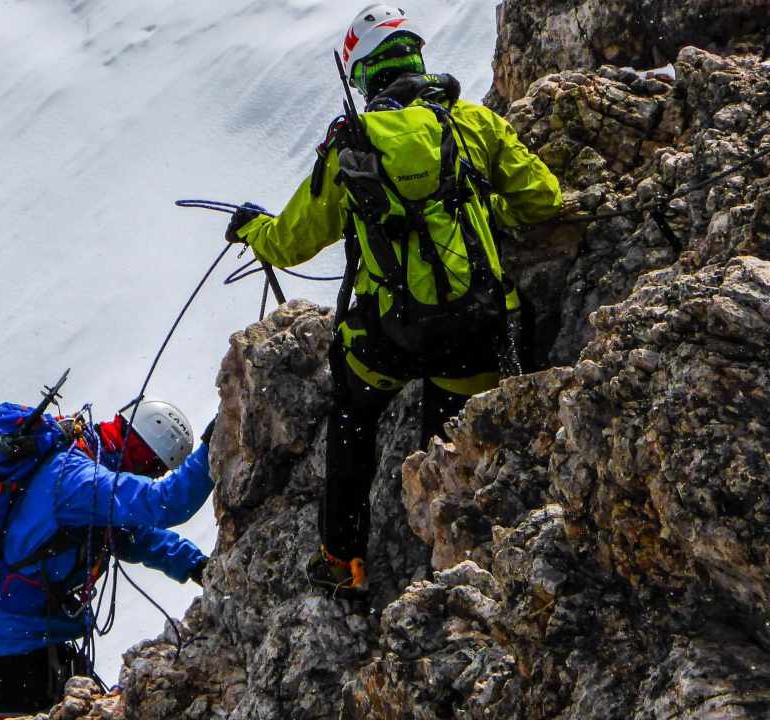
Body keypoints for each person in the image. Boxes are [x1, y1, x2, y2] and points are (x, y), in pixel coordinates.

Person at [225, 4, 566, 597]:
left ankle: (343, 562)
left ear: (362, 75)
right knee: (450, 438)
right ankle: (460, 566)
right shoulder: (472, 125)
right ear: (415, 57)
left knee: (353, 416)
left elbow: (289, 243)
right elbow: (543, 198)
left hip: (389, 337)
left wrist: (251, 228)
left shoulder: (351, 145)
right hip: (479, 328)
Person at [0, 398, 214, 719]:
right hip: (14, 656)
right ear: (144, 456)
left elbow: (130, 536)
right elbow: (166, 503)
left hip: (3, 648)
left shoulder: (79, 460)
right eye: (155, 469)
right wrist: (212, 450)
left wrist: (194, 564)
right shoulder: (77, 478)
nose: (153, 477)